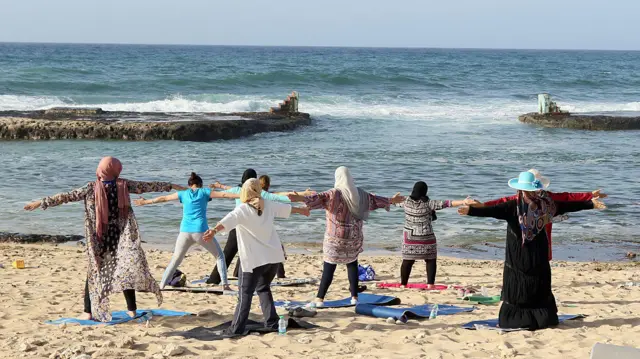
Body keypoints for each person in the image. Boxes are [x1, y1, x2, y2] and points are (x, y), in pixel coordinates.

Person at [23, 157, 184, 322]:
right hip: (122, 237)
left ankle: (88, 312)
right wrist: (170, 185)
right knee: (125, 269)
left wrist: (40, 202)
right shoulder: (124, 185)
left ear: (100, 170)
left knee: (94, 273)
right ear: (116, 170)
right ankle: (132, 311)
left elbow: (66, 197)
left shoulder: (91, 188)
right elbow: (149, 186)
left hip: (99, 238)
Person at [458, 171, 605, 330]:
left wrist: (470, 211)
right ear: (535, 188)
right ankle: (543, 318)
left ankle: (517, 319)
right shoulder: (545, 204)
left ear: (519, 189)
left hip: (519, 253)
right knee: (540, 281)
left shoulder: (512, 206)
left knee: (517, 282)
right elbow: (566, 205)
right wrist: (590, 204)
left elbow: (492, 210)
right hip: (539, 251)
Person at [202, 178, 310, 335]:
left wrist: (213, 231)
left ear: (245, 192)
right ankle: (272, 322)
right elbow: (287, 209)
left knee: (244, 295)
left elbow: (226, 222)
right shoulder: (268, 204)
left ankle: (237, 329)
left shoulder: (243, 209)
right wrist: (303, 210)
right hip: (272, 258)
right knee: (263, 288)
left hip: (253, 261)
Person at [287, 166, 404, 306]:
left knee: (329, 267)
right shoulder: (360, 194)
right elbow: (375, 200)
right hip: (354, 238)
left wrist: (299, 197)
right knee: (352, 264)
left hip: (335, 238)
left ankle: (320, 299)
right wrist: (392, 200)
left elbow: (317, 198)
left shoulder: (333, 194)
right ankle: (354, 297)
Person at [133, 172, 240, 291]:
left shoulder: (183, 194)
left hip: (184, 232)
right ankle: (225, 285)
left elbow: (163, 198)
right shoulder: (204, 192)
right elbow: (224, 195)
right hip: (201, 232)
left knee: (175, 260)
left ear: (190, 185)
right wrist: (242, 196)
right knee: (219, 256)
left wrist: (145, 202)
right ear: (200, 184)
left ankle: (162, 285)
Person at [205, 169, 313, 283]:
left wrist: (218, 185)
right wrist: (303, 196)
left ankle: (215, 279)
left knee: (229, 253)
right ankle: (263, 274)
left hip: (236, 225)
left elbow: (227, 191)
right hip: (251, 226)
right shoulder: (260, 194)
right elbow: (280, 198)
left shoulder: (238, 190)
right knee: (256, 249)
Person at [474, 168, 607, 261]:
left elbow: (567, 197)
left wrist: (590, 195)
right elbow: (501, 203)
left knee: (543, 250)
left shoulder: (547, 198)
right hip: (524, 229)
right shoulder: (518, 199)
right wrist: (483, 205)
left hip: (542, 227)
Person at [397, 181, 476, 288]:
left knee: (407, 260)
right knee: (430, 260)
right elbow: (447, 203)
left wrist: (392, 199)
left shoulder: (405, 201)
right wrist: (463, 201)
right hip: (427, 237)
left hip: (409, 238)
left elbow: (394, 202)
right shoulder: (429, 203)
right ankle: (430, 284)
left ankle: (403, 284)